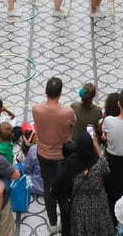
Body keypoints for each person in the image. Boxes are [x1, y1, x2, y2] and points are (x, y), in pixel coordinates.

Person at [33, 77, 76, 235]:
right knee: (65, 190)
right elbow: (72, 125)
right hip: (63, 156)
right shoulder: (67, 112)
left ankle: (52, 223)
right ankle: (66, 223)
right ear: (60, 93)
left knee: (48, 188)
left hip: (43, 154)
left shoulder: (36, 109)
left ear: (46, 92)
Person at [61, 133, 111, 236]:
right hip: (99, 203)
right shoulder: (99, 162)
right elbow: (107, 170)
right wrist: (97, 147)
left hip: (79, 205)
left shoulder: (71, 164)